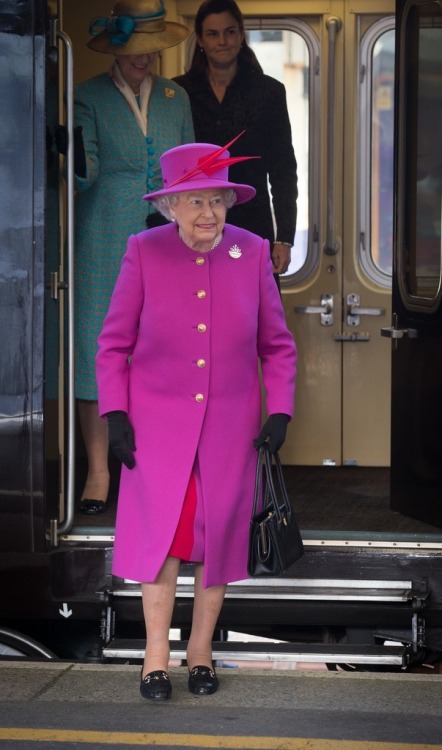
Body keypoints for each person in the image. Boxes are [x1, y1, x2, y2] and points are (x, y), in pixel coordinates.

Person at [95, 135, 297, 700]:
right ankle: (154, 660)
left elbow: (277, 346)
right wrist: (115, 414)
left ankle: (202, 654)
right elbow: (113, 344)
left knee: (220, 539)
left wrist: (279, 409)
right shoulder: (144, 249)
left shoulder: (253, 251)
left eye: (217, 200)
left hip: (231, 426)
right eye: (195, 201)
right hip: (156, 426)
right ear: (170, 206)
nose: (208, 213)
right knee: (164, 538)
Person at [62, 0, 194, 514]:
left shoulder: (174, 96)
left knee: (163, 350)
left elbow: (186, 169)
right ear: (116, 48)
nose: (145, 60)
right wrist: (67, 149)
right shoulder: (87, 95)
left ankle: (160, 466)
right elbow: (83, 175)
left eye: (152, 51)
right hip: (102, 234)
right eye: (136, 51)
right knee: (98, 347)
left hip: (167, 235)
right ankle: (98, 473)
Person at [173, 0, 297, 282]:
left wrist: (285, 238)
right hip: (192, 226)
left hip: (253, 225)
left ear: (241, 35)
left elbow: (283, 172)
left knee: (254, 319)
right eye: (213, 34)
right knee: (196, 317)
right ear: (201, 40)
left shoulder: (269, 93)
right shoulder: (179, 92)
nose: (223, 41)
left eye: (230, 32)